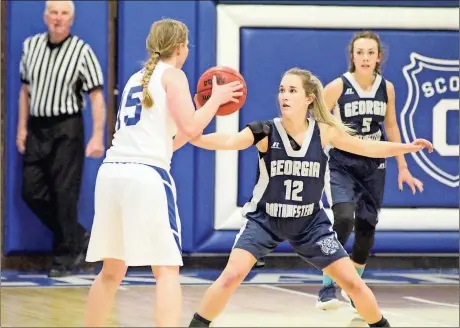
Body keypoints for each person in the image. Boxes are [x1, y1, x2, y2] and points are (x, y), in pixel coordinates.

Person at [182, 68, 432, 328]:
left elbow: (367, 147)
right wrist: (192, 135)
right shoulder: (265, 131)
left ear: (309, 98)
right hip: (266, 220)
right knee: (230, 276)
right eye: (281, 90)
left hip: (310, 223)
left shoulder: (324, 132)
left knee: (353, 283)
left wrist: (408, 147)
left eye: (292, 90)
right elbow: (227, 140)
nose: (284, 96)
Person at [83, 18, 243, 327]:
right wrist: (217, 101)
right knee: (167, 269)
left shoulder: (136, 78)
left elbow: (172, 141)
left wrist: (199, 106)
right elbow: (193, 127)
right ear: (182, 47)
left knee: (112, 271)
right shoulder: (174, 76)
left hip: (112, 174)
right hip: (145, 177)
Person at [316, 31, 424, 310]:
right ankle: (327, 286)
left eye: (370, 52)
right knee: (343, 219)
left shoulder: (386, 87)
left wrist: (403, 165)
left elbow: (391, 126)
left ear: (379, 57)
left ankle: (354, 288)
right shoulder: (337, 86)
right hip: (342, 161)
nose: (365, 57)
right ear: (352, 56)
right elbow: (319, 124)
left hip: (374, 163)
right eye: (360, 52)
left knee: (367, 225)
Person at [17, 0, 106, 277]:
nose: (58, 18)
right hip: (37, 126)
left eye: (64, 13)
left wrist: (97, 136)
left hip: (67, 128)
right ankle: (78, 236)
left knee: (64, 194)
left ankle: (65, 258)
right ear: (45, 17)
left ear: (72, 19)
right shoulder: (30, 46)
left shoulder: (82, 51)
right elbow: (25, 91)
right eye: (53, 12)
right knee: (31, 192)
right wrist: (22, 128)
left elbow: (96, 96)